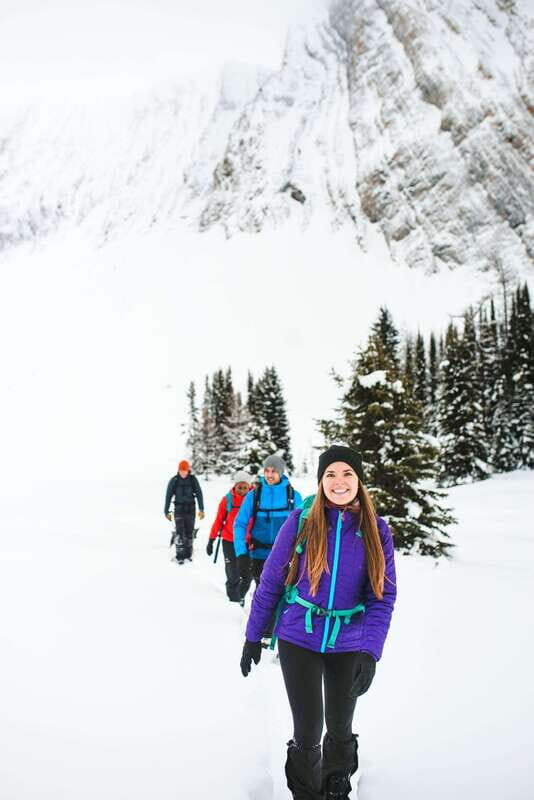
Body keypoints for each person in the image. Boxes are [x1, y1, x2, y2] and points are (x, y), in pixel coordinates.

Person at [239, 445, 397, 800]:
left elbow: (381, 597)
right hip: (299, 637)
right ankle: (307, 794)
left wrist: (370, 651)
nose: (339, 482)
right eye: (330, 474)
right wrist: (253, 636)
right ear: (321, 480)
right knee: (308, 731)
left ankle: (337, 787)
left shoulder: (376, 530)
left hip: (349, 642)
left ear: (359, 480)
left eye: (347, 474)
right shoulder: (301, 522)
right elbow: (271, 583)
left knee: (340, 728)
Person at [233, 454, 303, 598]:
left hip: (285, 557)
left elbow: (304, 527)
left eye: (274, 471)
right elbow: (240, 524)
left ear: (281, 472)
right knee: (263, 596)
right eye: (267, 470)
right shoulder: (254, 495)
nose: (270, 475)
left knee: (283, 597)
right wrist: (241, 553)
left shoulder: (293, 496)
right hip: (259, 556)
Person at [206, 471, 252, 603]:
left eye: (245, 487)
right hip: (229, 541)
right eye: (240, 487)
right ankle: (233, 602)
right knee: (233, 574)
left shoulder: (254, 499)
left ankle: (241, 596)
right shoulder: (227, 500)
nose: (242, 490)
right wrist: (211, 540)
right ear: (235, 486)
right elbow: (218, 521)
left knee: (247, 576)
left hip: (247, 542)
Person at [164, 460, 204, 563]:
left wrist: (201, 509)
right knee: (180, 533)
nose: (183, 473)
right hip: (179, 509)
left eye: (185, 470)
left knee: (189, 532)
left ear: (188, 470)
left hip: (191, 509)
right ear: (178, 470)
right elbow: (168, 496)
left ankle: (188, 554)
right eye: (181, 470)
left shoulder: (193, 480)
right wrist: (166, 511)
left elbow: (199, 494)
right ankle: (180, 555)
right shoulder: (174, 480)